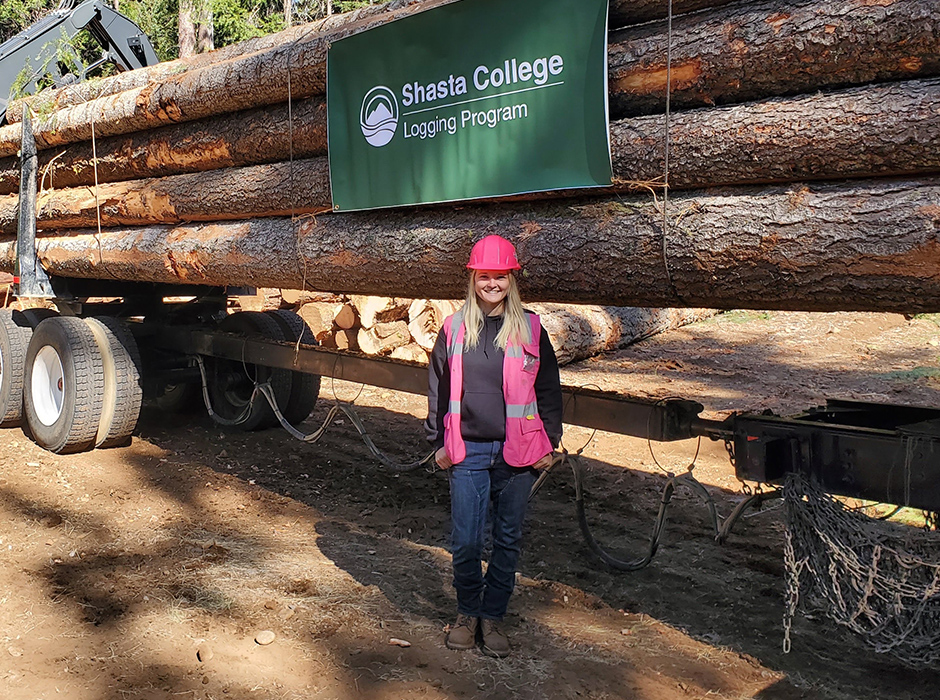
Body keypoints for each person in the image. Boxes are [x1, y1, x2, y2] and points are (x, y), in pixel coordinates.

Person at [426, 234, 563, 658]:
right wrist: (436, 441)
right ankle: (467, 612)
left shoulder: (532, 328)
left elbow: (548, 391)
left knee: (507, 540)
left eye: (500, 276)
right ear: (473, 279)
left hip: (518, 452)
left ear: (511, 279)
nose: (492, 283)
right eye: (485, 276)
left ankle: (493, 616)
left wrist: (550, 442)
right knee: (466, 540)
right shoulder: (453, 328)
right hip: (466, 449)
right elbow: (437, 385)